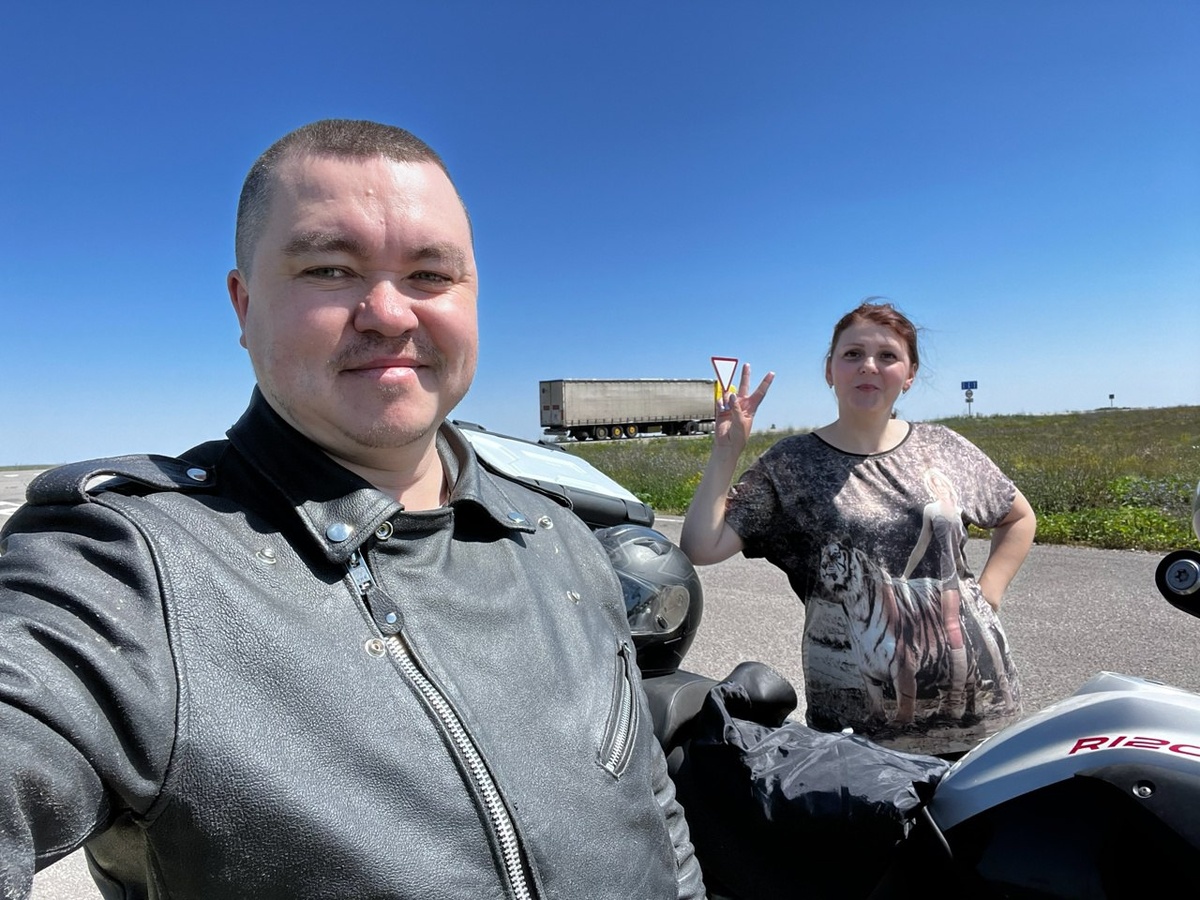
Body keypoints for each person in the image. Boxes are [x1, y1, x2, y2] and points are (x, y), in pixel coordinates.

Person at [0, 119, 704, 899]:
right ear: (243, 305)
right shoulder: (128, 570)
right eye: (330, 269)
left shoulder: (560, 537)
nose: (390, 314)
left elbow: (653, 813)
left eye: (431, 274)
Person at [681, 300, 1035, 757]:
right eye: (853, 354)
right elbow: (702, 546)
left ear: (909, 375)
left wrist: (988, 595)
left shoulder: (943, 446)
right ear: (830, 370)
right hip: (859, 730)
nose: (869, 365)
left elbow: (1018, 516)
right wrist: (726, 452)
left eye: (887, 356)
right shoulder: (792, 464)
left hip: (979, 715)